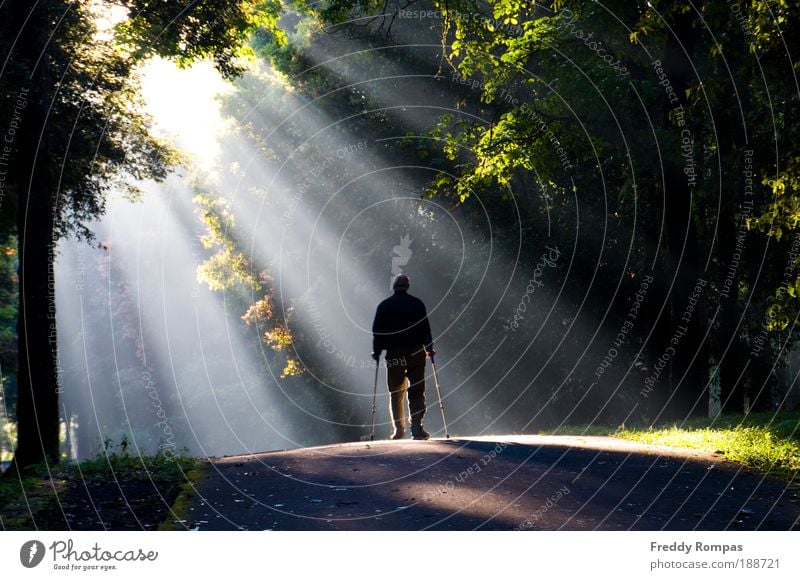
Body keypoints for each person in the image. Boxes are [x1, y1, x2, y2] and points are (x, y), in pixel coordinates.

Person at [371, 274, 435, 440]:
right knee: (416, 391)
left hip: (394, 354)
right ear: (407, 286)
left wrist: (377, 351)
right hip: (415, 353)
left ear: (394, 286)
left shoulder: (385, 306)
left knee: (396, 392)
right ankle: (416, 428)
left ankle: (399, 430)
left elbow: (377, 332)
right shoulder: (417, 304)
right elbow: (425, 329)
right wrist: (430, 348)